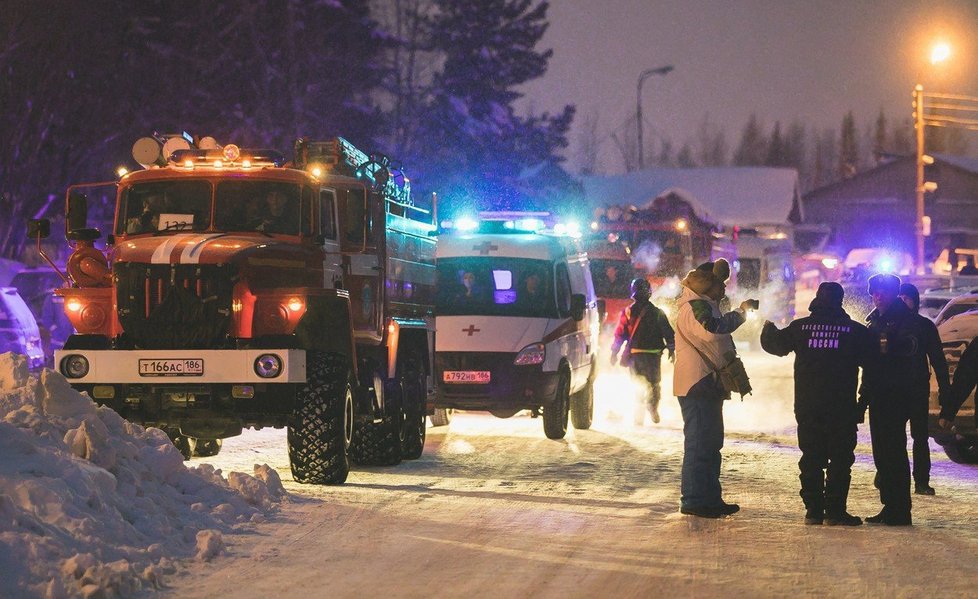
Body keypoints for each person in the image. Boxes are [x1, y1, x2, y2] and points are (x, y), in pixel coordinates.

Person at [760, 282, 872, 526]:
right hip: (841, 408)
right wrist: (863, 401)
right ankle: (835, 511)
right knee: (840, 459)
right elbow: (873, 364)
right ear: (840, 301)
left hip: (807, 406)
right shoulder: (854, 331)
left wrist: (767, 326)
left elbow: (774, 345)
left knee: (811, 456)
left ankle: (813, 510)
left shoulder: (801, 328)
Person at [673, 258, 756, 518]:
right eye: (720, 285)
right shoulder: (695, 306)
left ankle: (709, 498)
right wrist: (741, 314)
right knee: (700, 444)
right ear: (708, 285)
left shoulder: (705, 304)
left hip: (706, 383)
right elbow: (711, 331)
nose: (724, 290)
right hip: (697, 383)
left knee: (711, 443)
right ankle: (695, 500)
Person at [861, 273, 918, 526]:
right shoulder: (875, 321)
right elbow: (870, 364)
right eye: (874, 292)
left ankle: (900, 509)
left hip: (895, 394)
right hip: (878, 393)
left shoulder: (903, 320)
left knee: (893, 452)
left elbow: (908, 352)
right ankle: (889, 504)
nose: (877, 297)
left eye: (882, 292)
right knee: (881, 453)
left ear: (893, 294)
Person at [897, 283, 950, 495]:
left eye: (906, 298)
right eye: (899, 298)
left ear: (914, 301)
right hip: (895, 390)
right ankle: (888, 476)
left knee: (920, 437)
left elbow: (938, 360)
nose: (902, 302)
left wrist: (945, 390)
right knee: (894, 437)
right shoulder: (890, 324)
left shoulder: (925, 326)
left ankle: (921, 481)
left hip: (918, 389)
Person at [610, 277, 675, 426]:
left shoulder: (627, 312)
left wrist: (614, 353)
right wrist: (672, 351)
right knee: (654, 384)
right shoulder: (658, 313)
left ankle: (638, 415)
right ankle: (652, 406)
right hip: (653, 356)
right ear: (649, 293)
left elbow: (619, 335)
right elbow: (669, 334)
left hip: (635, 356)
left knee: (637, 383)